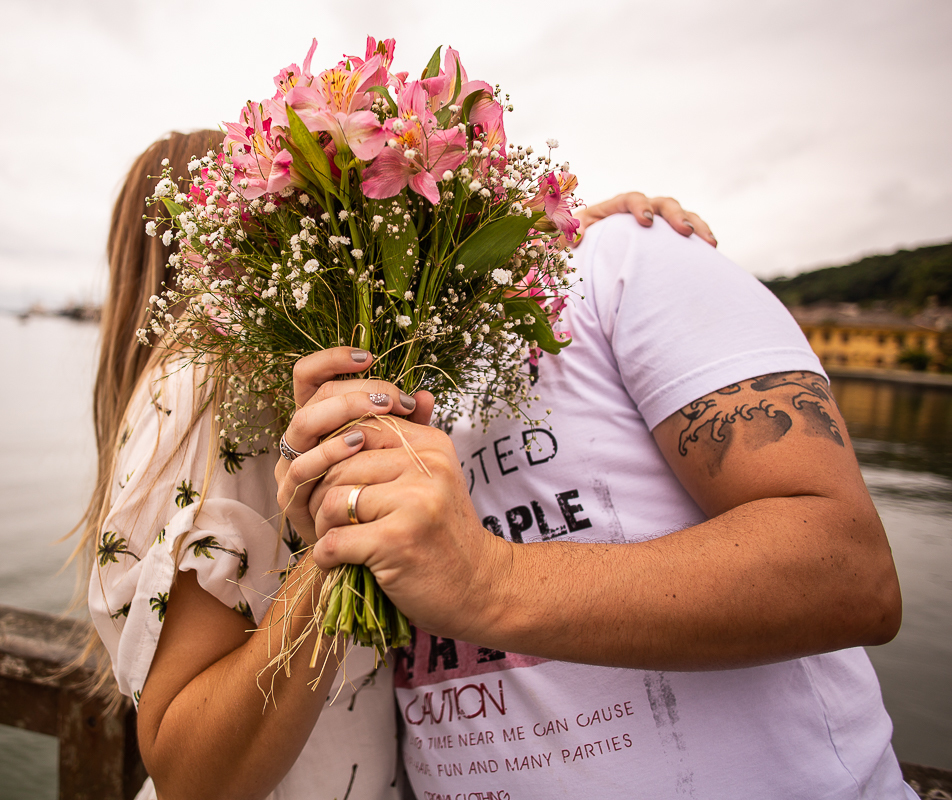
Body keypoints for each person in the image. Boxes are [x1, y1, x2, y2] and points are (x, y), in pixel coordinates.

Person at [77, 129, 719, 800]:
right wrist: (341, 537)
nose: (314, 216)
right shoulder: (204, 380)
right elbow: (189, 776)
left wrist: (546, 239)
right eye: (282, 204)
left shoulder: (281, 369)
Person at [276, 214, 914, 797]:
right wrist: (329, 540)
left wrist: (489, 581)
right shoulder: (346, 377)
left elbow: (850, 572)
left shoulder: (622, 258)